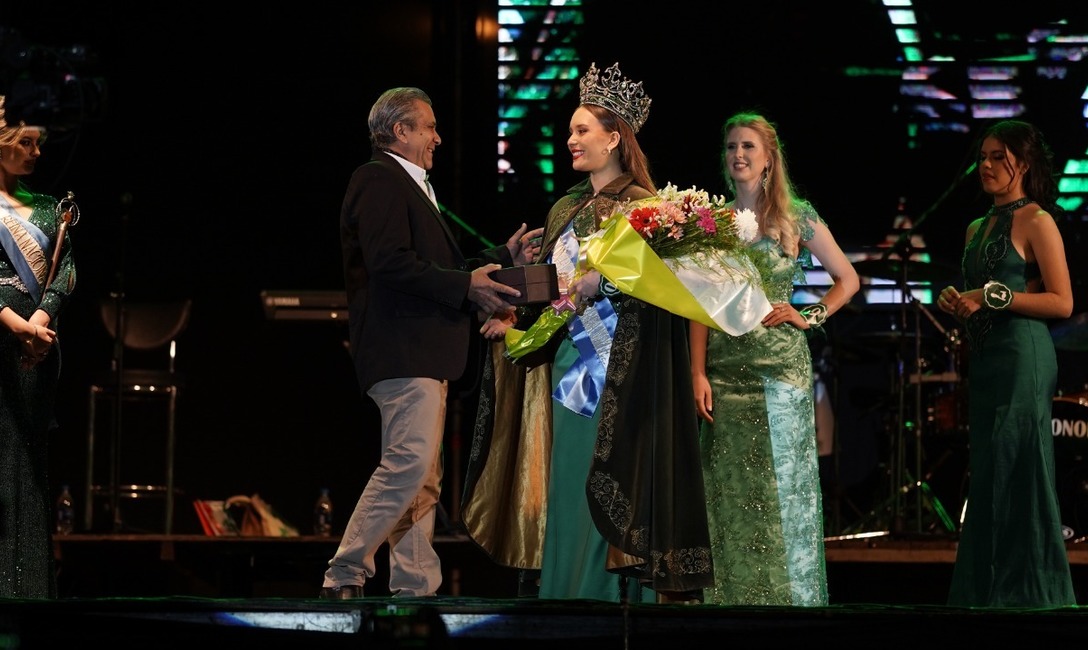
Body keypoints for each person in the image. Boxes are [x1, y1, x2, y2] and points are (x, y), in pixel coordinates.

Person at [461, 62, 713, 603]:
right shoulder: (563, 208)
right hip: (565, 373)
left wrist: (608, 284)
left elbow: (666, 297)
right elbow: (549, 292)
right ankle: (563, 604)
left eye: (582, 130)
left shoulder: (647, 209)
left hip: (619, 375)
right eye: (571, 130)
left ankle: (607, 607)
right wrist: (511, 317)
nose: (570, 139)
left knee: (614, 484)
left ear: (614, 137)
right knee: (566, 491)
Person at [320, 86, 541, 599]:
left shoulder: (408, 184)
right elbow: (391, 264)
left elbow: (434, 269)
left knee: (423, 479)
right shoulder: (377, 179)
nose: (438, 138)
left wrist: (499, 257)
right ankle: (345, 571)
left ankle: (416, 586)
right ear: (401, 131)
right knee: (410, 464)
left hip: (422, 350)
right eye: (429, 127)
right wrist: (468, 286)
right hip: (403, 349)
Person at [689, 112, 859, 606]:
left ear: (768, 159)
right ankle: (730, 601)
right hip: (723, 371)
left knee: (784, 487)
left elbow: (848, 279)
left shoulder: (796, 216)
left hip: (780, 371)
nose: (738, 155)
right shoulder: (710, 221)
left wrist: (811, 315)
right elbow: (698, 304)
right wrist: (697, 371)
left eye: (748, 147)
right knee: (729, 491)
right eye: (730, 147)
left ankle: (792, 604)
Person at [937, 119, 1075, 608]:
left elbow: (1062, 302)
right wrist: (959, 300)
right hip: (988, 361)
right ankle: (987, 593)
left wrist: (992, 295)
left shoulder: (1038, 220)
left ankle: (1033, 595)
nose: (987, 166)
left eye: (1000, 157)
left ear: (1025, 163)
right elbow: (984, 295)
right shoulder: (976, 227)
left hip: (1024, 358)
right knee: (991, 470)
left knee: (1022, 467)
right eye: (984, 157)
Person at [0, 95, 76, 599]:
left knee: (29, 464)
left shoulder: (50, 209)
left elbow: (64, 271)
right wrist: (14, 325)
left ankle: (27, 589)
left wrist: (40, 321)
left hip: (37, 352)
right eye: (25, 143)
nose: (36, 152)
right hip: (2, 345)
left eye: (39, 144)